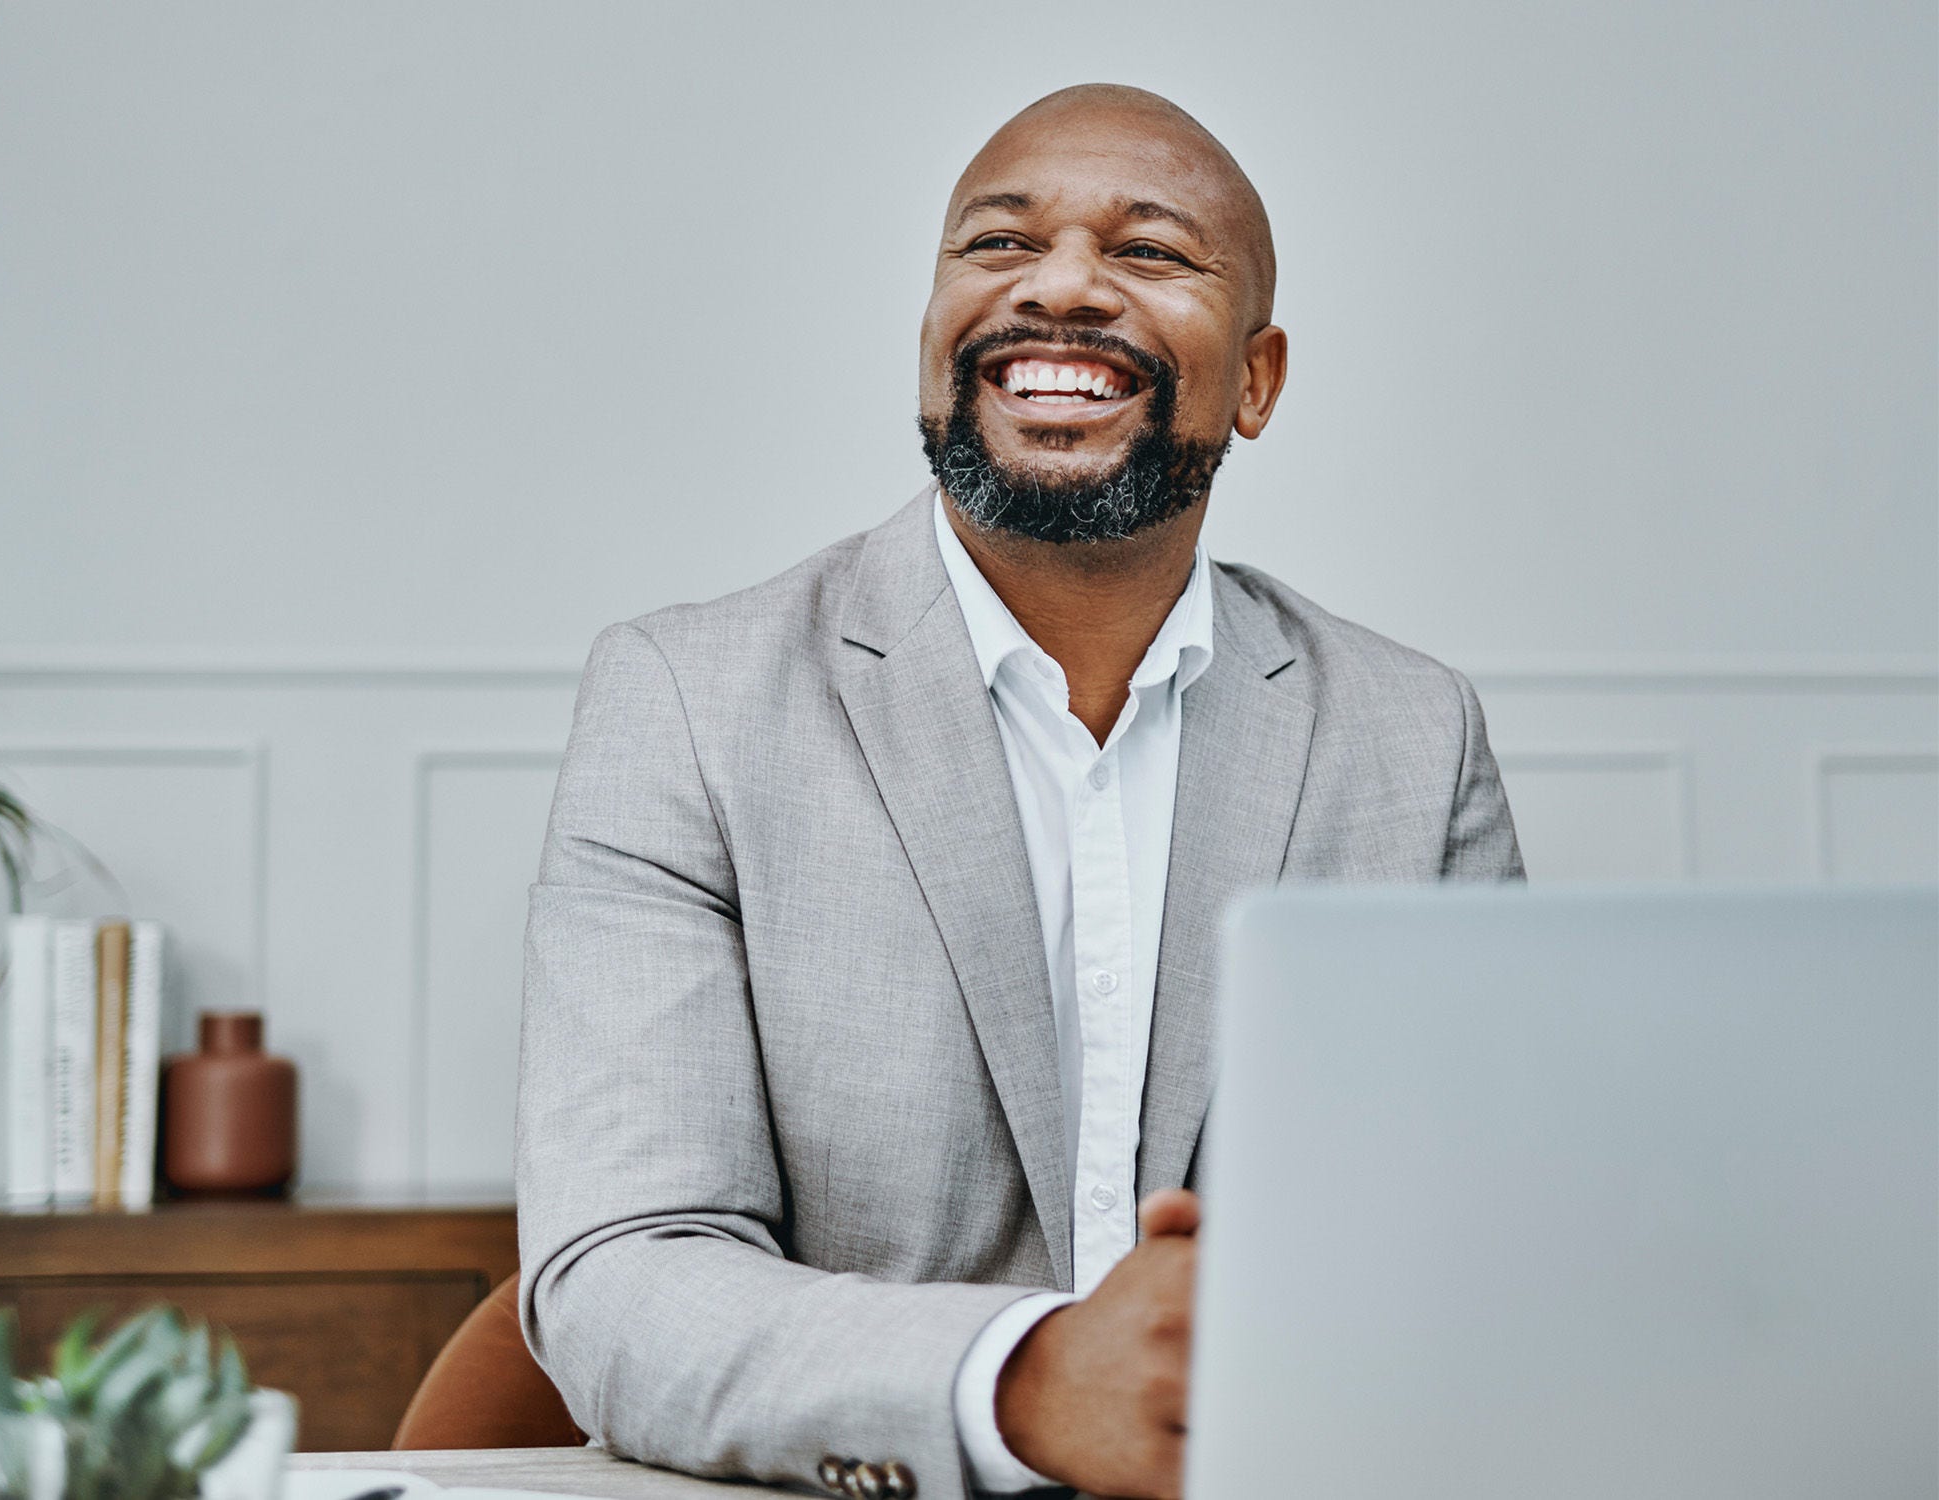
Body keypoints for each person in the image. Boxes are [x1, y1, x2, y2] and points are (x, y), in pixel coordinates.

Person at [516, 82, 1524, 1500]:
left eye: (1152, 253)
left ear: (1257, 378)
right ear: (933, 341)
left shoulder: (1413, 737)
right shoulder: (686, 702)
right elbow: (619, 1279)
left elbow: (1484, 1242)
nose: (1059, 288)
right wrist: (1025, 1383)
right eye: (996, 247)